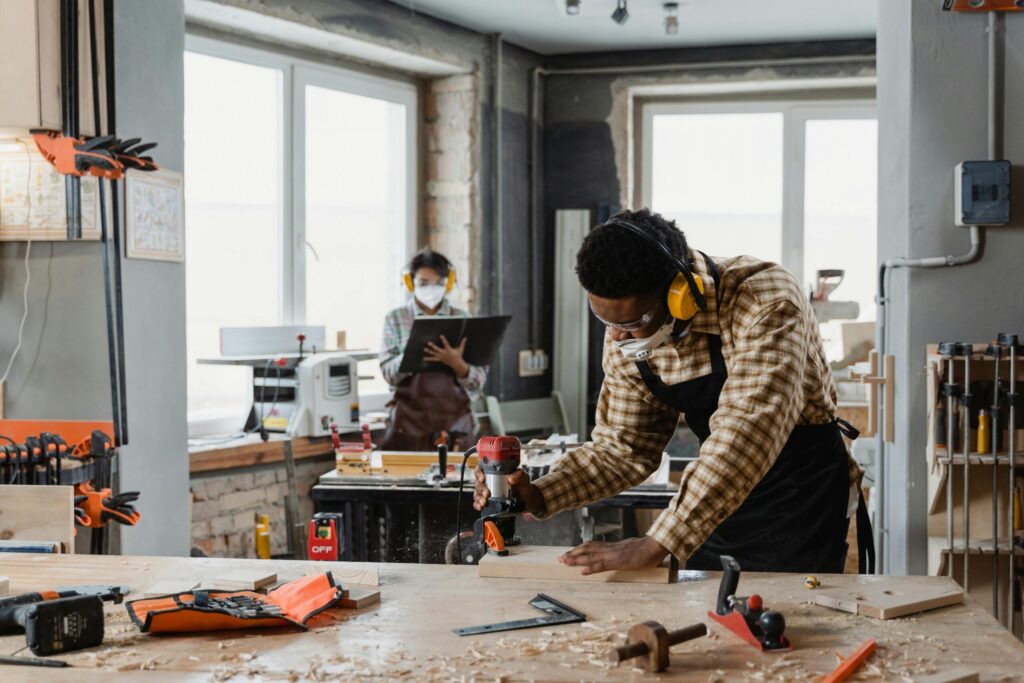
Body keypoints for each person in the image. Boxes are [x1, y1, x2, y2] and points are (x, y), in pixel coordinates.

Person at [473, 209, 872, 575]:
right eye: (604, 320)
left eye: (631, 323)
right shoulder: (627, 335)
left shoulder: (763, 298)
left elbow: (746, 433)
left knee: (790, 628)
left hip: (797, 496)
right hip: (710, 497)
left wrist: (658, 541)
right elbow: (623, 449)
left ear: (681, 295)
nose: (615, 336)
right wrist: (540, 495)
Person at [379, 248, 487, 451]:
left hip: (455, 425)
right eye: (423, 283)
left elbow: (478, 381)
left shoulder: (463, 320)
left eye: (438, 283)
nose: (431, 289)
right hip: (408, 424)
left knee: (459, 481)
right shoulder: (395, 319)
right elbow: (388, 375)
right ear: (411, 283)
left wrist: (458, 365)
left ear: (448, 283)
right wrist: (413, 353)